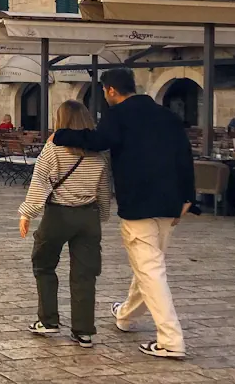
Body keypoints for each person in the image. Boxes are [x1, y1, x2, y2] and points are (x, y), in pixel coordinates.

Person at [52, 68, 194, 359]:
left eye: (105, 92)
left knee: (151, 269)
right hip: (170, 203)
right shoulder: (167, 115)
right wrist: (188, 196)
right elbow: (184, 154)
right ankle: (127, 315)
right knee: (149, 264)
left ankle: (171, 340)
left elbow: (96, 141)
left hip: (139, 203)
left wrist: (60, 134)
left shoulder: (118, 116)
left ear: (111, 91)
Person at [20, 100, 112, 349]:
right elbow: (104, 187)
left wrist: (27, 213)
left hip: (58, 214)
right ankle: (83, 330)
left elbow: (40, 180)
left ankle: (48, 319)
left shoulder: (54, 147)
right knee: (85, 273)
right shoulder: (100, 151)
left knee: (44, 263)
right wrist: (102, 215)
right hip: (88, 215)